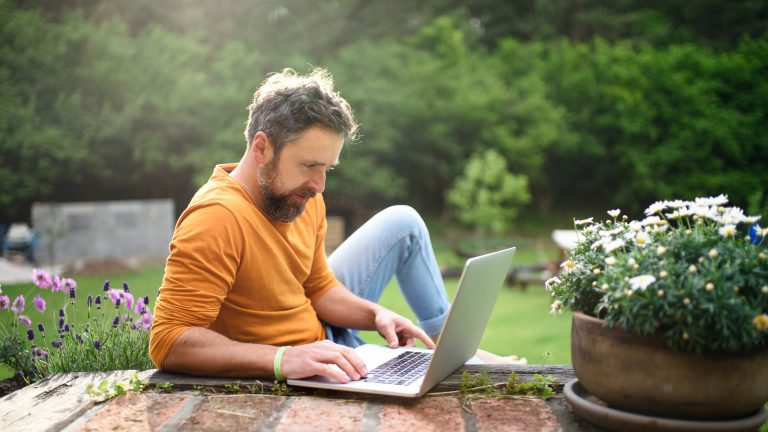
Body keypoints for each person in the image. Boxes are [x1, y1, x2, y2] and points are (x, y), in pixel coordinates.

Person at [149, 68, 523, 384]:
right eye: (310, 166)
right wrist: (282, 360)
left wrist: (374, 314)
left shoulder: (301, 197)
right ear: (261, 149)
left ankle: (451, 351)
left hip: (329, 342)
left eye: (327, 169)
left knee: (404, 222)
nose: (320, 186)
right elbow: (167, 340)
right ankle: (461, 362)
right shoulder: (217, 218)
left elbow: (319, 287)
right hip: (306, 362)